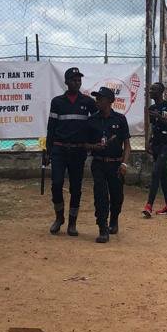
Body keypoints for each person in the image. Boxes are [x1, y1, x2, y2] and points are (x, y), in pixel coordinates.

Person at [45, 67, 96, 236]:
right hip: (59, 150)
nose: (77, 82)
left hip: (78, 151)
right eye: (74, 80)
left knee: (76, 187)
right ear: (66, 82)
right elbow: (51, 127)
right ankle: (59, 218)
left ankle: (72, 223)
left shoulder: (88, 102)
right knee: (56, 184)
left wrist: (92, 144)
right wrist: (48, 151)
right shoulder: (57, 102)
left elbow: (96, 123)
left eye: (79, 80)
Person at [86, 86, 131, 243]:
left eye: (100, 98)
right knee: (100, 196)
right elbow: (84, 144)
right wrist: (94, 147)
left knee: (117, 196)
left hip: (116, 164)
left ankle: (114, 220)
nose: (97, 101)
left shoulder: (120, 119)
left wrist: (124, 164)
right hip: (98, 163)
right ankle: (103, 228)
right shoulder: (91, 120)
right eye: (96, 98)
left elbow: (127, 145)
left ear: (110, 101)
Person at [143, 82, 167, 218]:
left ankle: (149, 205)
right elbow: (153, 127)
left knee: (156, 171)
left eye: (153, 89)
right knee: (163, 175)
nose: (150, 91)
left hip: (166, 144)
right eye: (150, 89)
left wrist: (160, 117)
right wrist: (149, 142)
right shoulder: (151, 108)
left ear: (160, 92)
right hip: (156, 144)